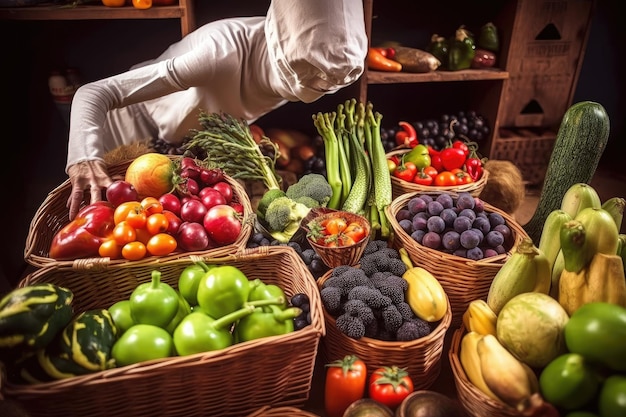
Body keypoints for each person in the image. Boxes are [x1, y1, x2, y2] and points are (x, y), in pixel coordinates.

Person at [65, 0, 368, 220]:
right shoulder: (219, 54)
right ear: (280, 48)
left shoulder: (311, 57)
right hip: (123, 135)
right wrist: (84, 157)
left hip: (177, 156)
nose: (319, 85)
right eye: (307, 76)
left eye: (329, 83)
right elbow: (93, 93)